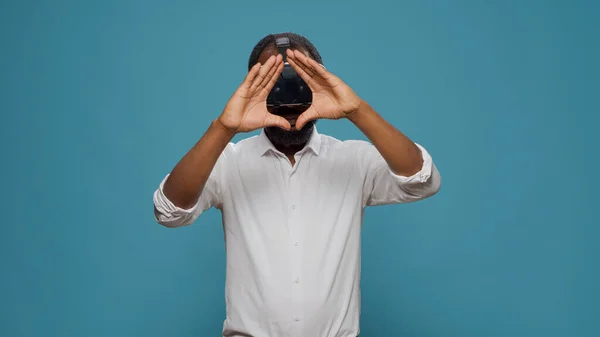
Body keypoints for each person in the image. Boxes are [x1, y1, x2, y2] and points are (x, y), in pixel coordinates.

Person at [153, 32, 441, 337]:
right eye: (273, 80)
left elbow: (422, 180)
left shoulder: (353, 160)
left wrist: (356, 110)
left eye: (300, 78)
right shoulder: (228, 162)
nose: (287, 95)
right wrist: (224, 128)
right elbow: (169, 212)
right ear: (253, 86)